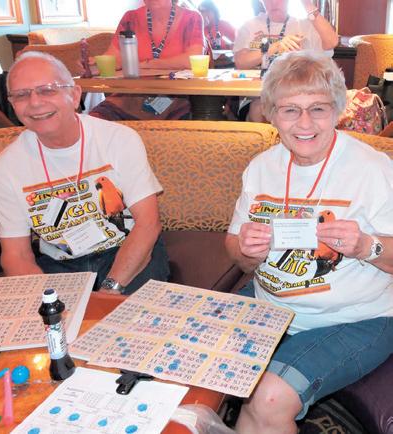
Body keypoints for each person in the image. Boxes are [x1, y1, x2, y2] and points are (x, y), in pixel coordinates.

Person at [225, 51, 393, 434]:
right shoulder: (261, 168)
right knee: (190, 359)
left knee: (267, 399)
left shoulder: (375, 170)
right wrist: (246, 252)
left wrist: (366, 246)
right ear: (271, 114)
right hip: (269, 304)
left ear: (337, 111)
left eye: (318, 108)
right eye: (290, 110)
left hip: (356, 318)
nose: (304, 123)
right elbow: (234, 247)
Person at [0, 51, 170, 294]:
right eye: (21, 95)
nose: (35, 102)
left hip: (125, 250)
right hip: (59, 262)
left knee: (122, 314)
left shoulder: (119, 139)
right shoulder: (6, 168)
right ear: (12, 104)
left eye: (47, 90)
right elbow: (16, 254)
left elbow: (148, 224)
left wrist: (109, 290)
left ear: (74, 95)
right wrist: (44, 301)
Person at [89, 0, 205, 120]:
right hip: (130, 94)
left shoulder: (192, 18)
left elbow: (192, 59)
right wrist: (94, 65)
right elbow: (115, 58)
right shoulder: (130, 18)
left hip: (175, 95)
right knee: (96, 119)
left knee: (155, 124)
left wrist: (147, 64)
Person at [234, 0, 338, 121]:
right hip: (256, 96)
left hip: (295, 93)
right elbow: (240, 62)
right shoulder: (250, 26)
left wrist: (307, 4)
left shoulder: (303, 25)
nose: (273, 3)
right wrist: (273, 48)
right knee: (259, 108)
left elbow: (332, 42)